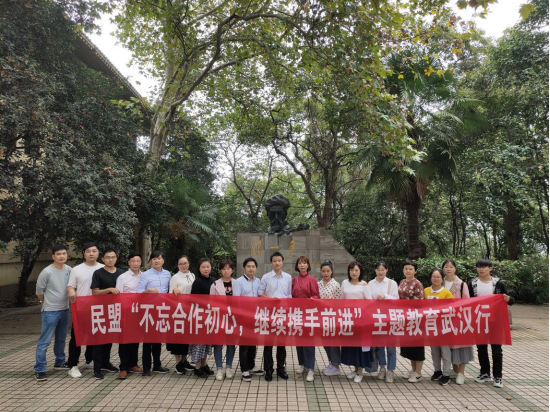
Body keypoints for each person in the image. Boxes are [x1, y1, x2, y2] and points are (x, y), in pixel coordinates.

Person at [468, 258, 515, 389]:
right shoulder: (472, 283)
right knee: (481, 349)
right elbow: (467, 301)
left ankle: (498, 376)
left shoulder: (498, 283)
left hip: (496, 322)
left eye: (484, 267)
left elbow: (510, 300)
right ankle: (485, 373)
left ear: (490, 268)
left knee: (497, 350)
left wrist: (508, 299)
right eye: (479, 267)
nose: (481, 269)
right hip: (479, 321)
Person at [34, 245, 72, 382]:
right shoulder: (47, 272)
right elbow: (39, 292)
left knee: (61, 338)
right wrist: (47, 302)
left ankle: (60, 362)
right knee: (45, 340)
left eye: (64, 253)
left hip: (65, 309)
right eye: (58, 254)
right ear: (53, 256)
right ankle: (39, 369)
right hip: (50, 311)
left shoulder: (69, 270)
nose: (62, 256)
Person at [67, 243, 103, 378]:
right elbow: (70, 286)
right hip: (82, 309)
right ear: (84, 253)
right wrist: (71, 291)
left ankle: (91, 360)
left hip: (99, 309)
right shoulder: (76, 269)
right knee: (76, 337)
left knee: (96, 336)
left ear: (98, 253)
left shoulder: (103, 268)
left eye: (94, 251)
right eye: (88, 251)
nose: (91, 253)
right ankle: (73, 365)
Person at [258, 251, 292, 381]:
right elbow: (260, 293)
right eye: (274, 261)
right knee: (268, 343)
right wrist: (271, 300)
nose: (277, 263)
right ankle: (268, 369)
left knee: (281, 343)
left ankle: (281, 368)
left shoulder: (288, 277)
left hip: (283, 314)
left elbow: (289, 294)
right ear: (271, 263)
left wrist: (285, 302)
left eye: (279, 260)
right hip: (269, 314)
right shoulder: (266, 277)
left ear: (282, 262)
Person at [90, 249, 123, 380]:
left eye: (113, 257)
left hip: (115, 310)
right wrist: (109, 290)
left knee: (109, 338)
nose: (110, 259)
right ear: (103, 259)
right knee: (99, 340)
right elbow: (94, 292)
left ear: (116, 258)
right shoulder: (98, 273)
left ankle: (106, 363)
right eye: (108, 257)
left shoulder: (121, 273)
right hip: (100, 310)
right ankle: (97, 368)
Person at [137, 250, 171, 376]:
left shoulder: (167, 274)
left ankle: (157, 364)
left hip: (162, 310)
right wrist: (148, 290)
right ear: (151, 261)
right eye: (154, 259)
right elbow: (138, 293)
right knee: (147, 341)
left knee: (157, 339)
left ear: (163, 260)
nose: (157, 261)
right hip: (149, 310)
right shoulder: (145, 275)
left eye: (159, 258)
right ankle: (146, 368)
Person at [340, 261, 373, 384]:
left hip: (361, 319)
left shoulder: (364, 285)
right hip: (348, 319)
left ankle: (360, 372)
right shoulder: (344, 283)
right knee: (351, 346)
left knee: (360, 346)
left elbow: (369, 303)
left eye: (356, 270)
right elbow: (341, 299)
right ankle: (355, 369)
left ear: (360, 271)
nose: (354, 272)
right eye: (351, 270)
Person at [442, 259, 474, 385]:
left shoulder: (461, 284)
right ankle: (454, 370)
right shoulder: (440, 282)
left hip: (459, 319)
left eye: (451, 267)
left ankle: (461, 372)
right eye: (446, 266)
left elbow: (467, 301)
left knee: (461, 346)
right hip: (444, 320)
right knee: (448, 346)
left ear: (455, 268)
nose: (449, 269)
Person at [233, 257, 265, 382]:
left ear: (256, 268)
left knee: (253, 343)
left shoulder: (258, 281)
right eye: (248, 266)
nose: (251, 268)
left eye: (253, 266)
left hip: (255, 317)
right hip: (244, 317)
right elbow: (236, 300)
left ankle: (251, 366)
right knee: (244, 345)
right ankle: (244, 369)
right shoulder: (238, 282)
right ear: (244, 268)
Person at [368, 261, 399, 383]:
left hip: (390, 318)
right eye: (378, 269)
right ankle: (382, 367)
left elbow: (397, 300)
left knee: (391, 346)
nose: (380, 272)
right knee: (379, 345)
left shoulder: (392, 283)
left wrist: (385, 296)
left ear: (387, 270)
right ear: (375, 270)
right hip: (376, 318)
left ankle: (391, 370)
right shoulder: (370, 283)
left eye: (382, 269)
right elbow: (368, 300)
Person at [115, 252, 144, 379]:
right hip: (126, 312)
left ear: (141, 262)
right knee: (124, 340)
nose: (136, 263)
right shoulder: (123, 277)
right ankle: (123, 367)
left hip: (140, 312)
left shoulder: (144, 276)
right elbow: (118, 296)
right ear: (129, 262)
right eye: (133, 261)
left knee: (135, 339)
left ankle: (133, 364)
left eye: (138, 261)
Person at [292, 256, 320, 382]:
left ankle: (311, 369)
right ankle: (302, 364)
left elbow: (316, 295)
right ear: (297, 266)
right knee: (299, 340)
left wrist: (311, 300)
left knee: (309, 342)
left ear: (308, 265)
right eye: (300, 263)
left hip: (308, 314)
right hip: (297, 313)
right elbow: (291, 296)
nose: (302, 265)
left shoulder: (312, 280)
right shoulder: (294, 280)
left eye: (304, 263)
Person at [424, 268, 454, 386]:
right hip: (431, 325)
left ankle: (446, 374)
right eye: (433, 276)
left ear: (442, 279)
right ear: (430, 278)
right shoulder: (426, 291)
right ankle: (437, 371)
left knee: (445, 350)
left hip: (444, 326)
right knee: (434, 350)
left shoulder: (446, 292)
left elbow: (452, 308)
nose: (436, 279)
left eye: (438, 277)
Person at [168, 255, 196, 375]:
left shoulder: (192, 275)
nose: (183, 266)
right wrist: (174, 291)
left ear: (189, 263)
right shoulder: (175, 277)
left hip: (190, 311)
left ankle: (184, 361)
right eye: (181, 264)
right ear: (178, 265)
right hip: (178, 311)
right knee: (177, 337)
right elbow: (170, 293)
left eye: (185, 263)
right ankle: (178, 362)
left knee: (187, 337)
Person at [398, 260, 425, 383]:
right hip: (404, 318)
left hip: (415, 319)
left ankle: (418, 373)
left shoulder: (417, 284)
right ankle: (413, 370)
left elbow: (419, 302)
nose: (408, 271)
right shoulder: (402, 282)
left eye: (410, 269)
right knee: (410, 346)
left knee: (417, 346)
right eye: (406, 268)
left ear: (415, 271)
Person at [189, 258, 216, 378]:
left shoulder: (214, 281)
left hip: (210, 316)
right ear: (199, 268)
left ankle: (204, 365)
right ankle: (197, 367)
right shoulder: (197, 282)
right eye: (203, 267)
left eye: (208, 267)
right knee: (198, 343)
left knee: (206, 343)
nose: (206, 269)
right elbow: (193, 301)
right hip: (199, 316)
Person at [211, 258, 237, 380]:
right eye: (223, 269)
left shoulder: (237, 283)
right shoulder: (215, 284)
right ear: (220, 271)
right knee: (218, 343)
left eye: (228, 268)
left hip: (233, 318)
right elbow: (211, 302)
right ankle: (219, 368)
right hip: (219, 317)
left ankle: (229, 367)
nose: (226, 271)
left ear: (232, 270)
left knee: (231, 343)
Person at [318, 261, 343, 377]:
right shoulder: (318, 284)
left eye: (328, 271)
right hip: (321, 317)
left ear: (331, 271)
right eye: (323, 271)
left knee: (334, 342)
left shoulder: (336, 285)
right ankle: (331, 362)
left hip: (333, 317)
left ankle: (336, 365)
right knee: (325, 342)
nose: (326, 273)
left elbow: (339, 302)